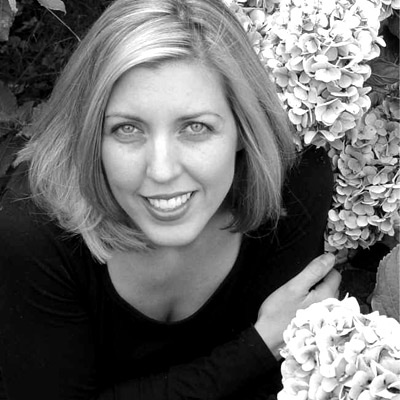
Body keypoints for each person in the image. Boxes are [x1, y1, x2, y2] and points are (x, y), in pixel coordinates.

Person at [0, 0, 341, 399]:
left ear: (242, 129)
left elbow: (277, 385)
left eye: (195, 127)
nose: (161, 171)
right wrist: (260, 345)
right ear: (91, 136)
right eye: (127, 129)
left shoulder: (292, 190)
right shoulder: (34, 233)